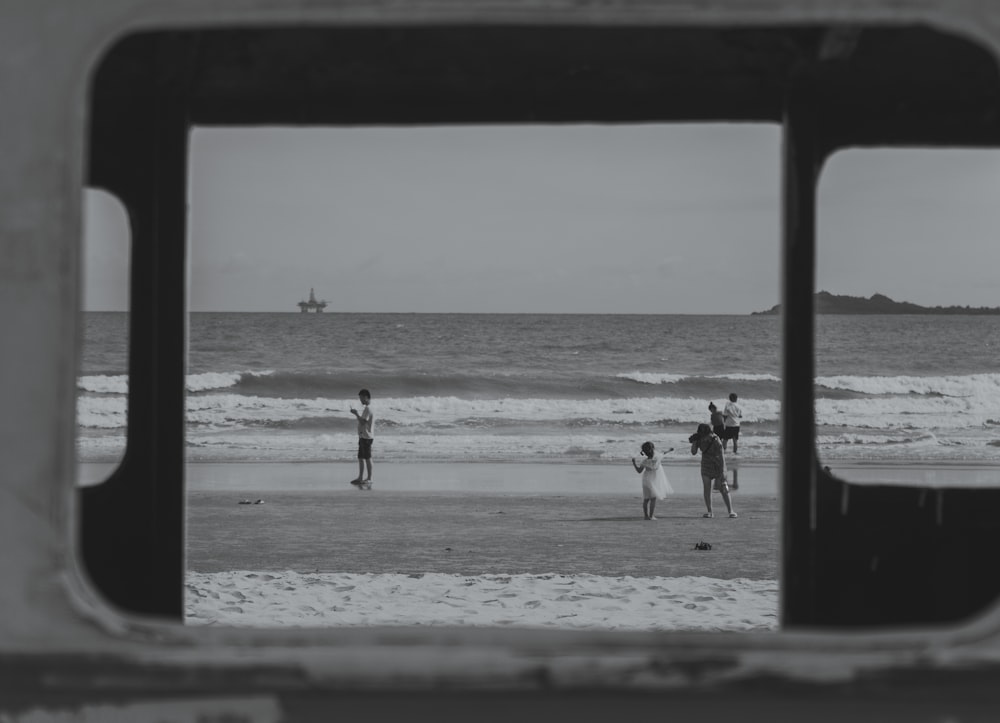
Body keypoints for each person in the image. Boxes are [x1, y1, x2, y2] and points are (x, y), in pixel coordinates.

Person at [689, 423, 736, 518]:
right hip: (706, 465)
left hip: (718, 465)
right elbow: (693, 452)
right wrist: (694, 441)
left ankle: (731, 511)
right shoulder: (698, 438)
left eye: (704, 433)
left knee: (723, 488)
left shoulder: (715, 439)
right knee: (707, 489)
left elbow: (722, 456)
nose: (704, 436)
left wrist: (723, 470)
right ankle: (710, 511)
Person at [630, 441, 673, 520]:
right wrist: (669, 450)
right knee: (653, 499)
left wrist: (634, 463)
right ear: (653, 449)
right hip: (654, 480)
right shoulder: (657, 458)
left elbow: (639, 471)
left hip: (646, 480)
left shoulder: (645, 461)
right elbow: (663, 453)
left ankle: (646, 516)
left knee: (646, 499)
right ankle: (651, 516)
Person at [349, 389, 374, 488]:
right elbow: (362, 421)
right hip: (363, 436)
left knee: (367, 458)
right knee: (360, 457)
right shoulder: (367, 408)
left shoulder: (368, 409)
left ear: (366, 397)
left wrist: (356, 414)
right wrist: (357, 415)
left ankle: (370, 478)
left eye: (361, 398)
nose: (360, 400)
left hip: (367, 437)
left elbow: (363, 422)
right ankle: (360, 477)